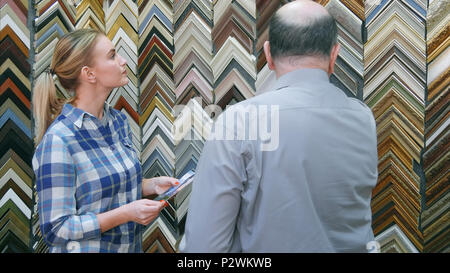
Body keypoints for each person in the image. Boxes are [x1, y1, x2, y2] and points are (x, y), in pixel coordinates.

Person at [180, 0, 378, 252]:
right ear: (334, 55)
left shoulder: (239, 122)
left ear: (268, 55)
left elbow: (203, 248)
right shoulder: (363, 118)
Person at [32, 29, 179, 253]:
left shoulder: (117, 122)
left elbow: (103, 191)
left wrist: (151, 185)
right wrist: (126, 214)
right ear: (89, 74)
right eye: (112, 56)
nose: (123, 60)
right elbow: (56, 229)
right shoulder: (59, 141)